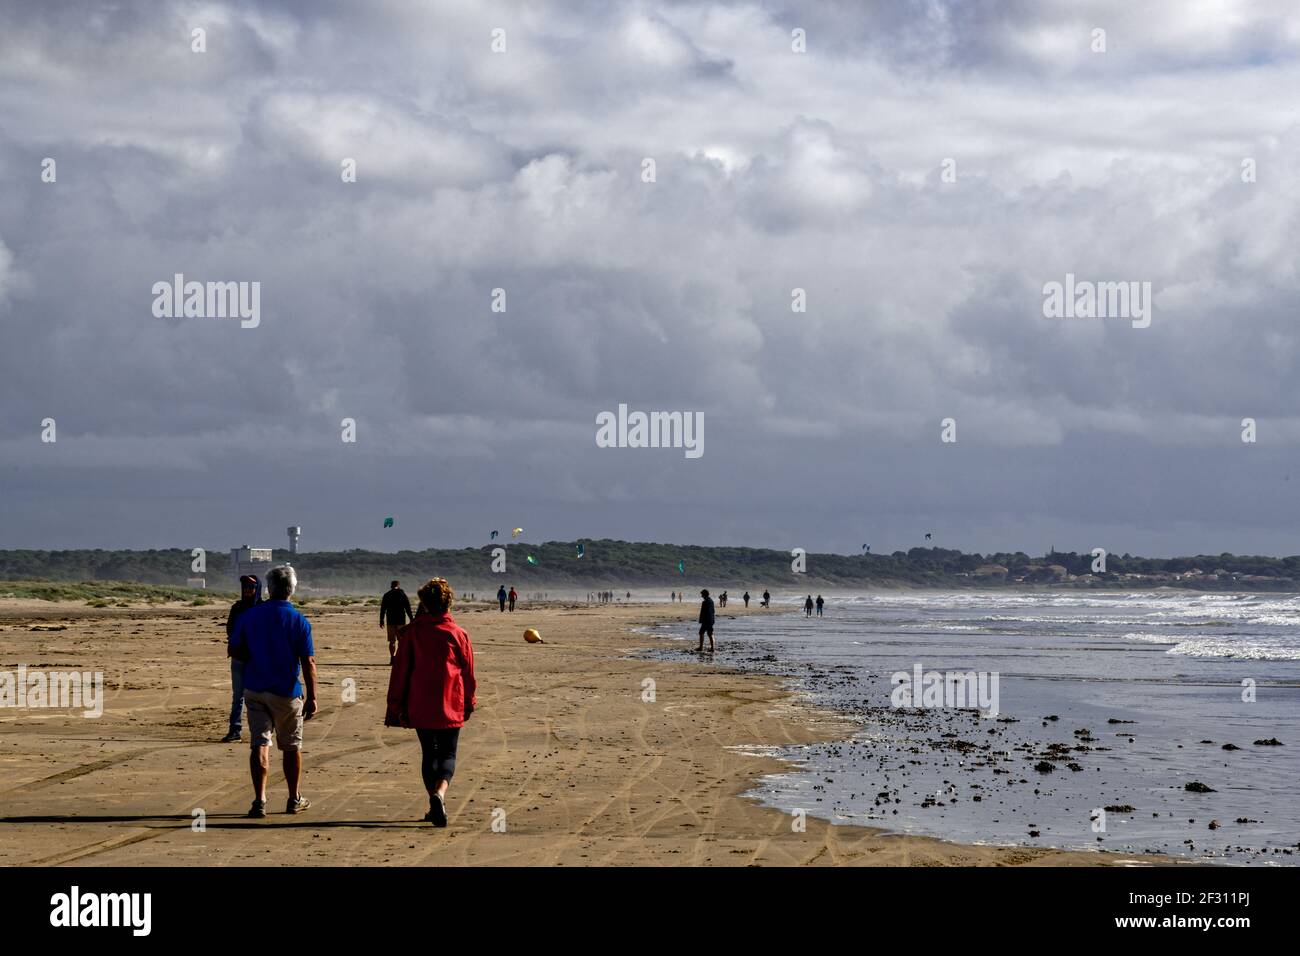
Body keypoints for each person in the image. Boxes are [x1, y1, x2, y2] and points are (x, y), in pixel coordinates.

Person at [386, 577, 477, 828]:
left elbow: (401, 672)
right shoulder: (459, 634)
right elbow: (468, 673)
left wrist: (395, 705)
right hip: (451, 702)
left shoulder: (411, 634)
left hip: (420, 702)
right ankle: (441, 793)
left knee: (429, 754)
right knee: (448, 753)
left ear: (424, 604)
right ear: (449, 603)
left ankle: (434, 801)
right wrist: (469, 701)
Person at [229, 565, 317, 818]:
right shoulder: (299, 620)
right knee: (290, 746)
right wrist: (313, 697)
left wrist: (256, 659)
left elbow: (236, 650)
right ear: (292, 589)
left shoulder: (250, 616)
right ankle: (293, 797)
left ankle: (260, 800)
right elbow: (308, 662)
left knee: (260, 743)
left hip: (255, 688)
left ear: (269, 589)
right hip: (286, 691)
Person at [222, 575, 263, 743]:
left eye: (251, 587)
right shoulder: (237, 608)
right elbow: (230, 630)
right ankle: (235, 729)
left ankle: (263, 728)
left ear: (258, 589)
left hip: (258, 660)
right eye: (245, 587)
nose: (247, 590)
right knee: (238, 696)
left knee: (261, 695)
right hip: (239, 658)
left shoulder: (263, 608)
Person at [380, 580, 413, 661]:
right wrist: (412, 619)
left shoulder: (387, 595)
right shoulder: (402, 594)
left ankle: (392, 658)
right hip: (401, 620)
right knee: (401, 641)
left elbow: (383, 609)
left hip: (390, 620)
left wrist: (381, 620)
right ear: (399, 585)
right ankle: (400, 658)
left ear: (391, 586)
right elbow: (408, 608)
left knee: (392, 641)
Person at [697, 589, 715, 653]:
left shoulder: (705, 602)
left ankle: (701, 647)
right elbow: (713, 612)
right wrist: (712, 620)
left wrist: (701, 620)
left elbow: (703, 613)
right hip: (710, 620)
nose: (701, 596)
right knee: (710, 634)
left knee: (702, 633)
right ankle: (712, 648)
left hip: (706, 621)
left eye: (702, 594)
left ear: (704, 595)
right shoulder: (711, 601)